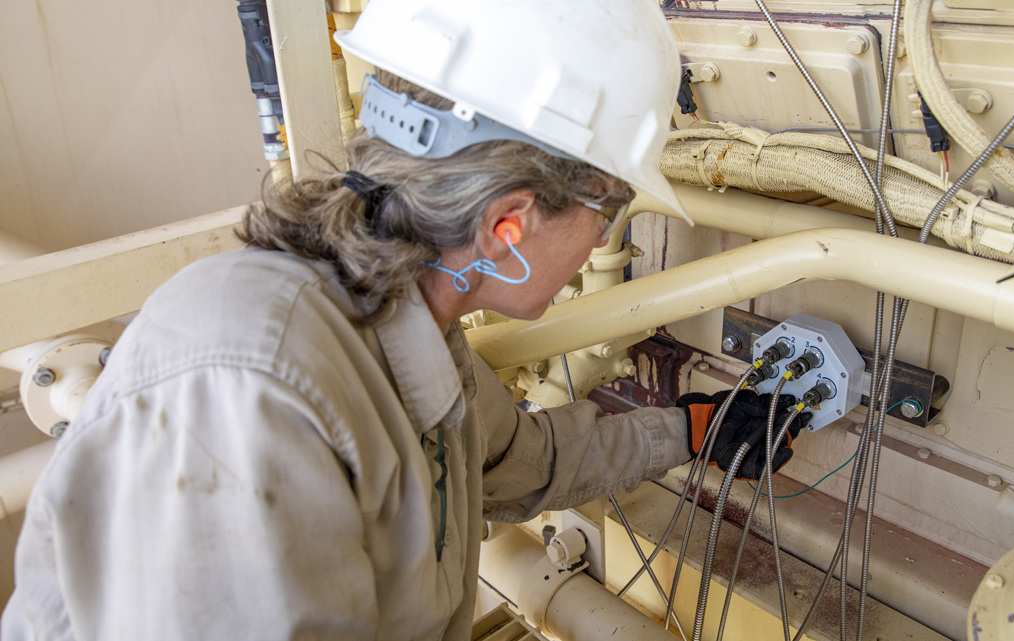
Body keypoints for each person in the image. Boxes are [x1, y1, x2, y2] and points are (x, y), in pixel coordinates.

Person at [2, 2, 807, 639]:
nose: (606, 237)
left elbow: (517, 462)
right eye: (610, 207)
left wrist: (693, 429)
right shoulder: (249, 383)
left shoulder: (400, 326)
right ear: (507, 226)